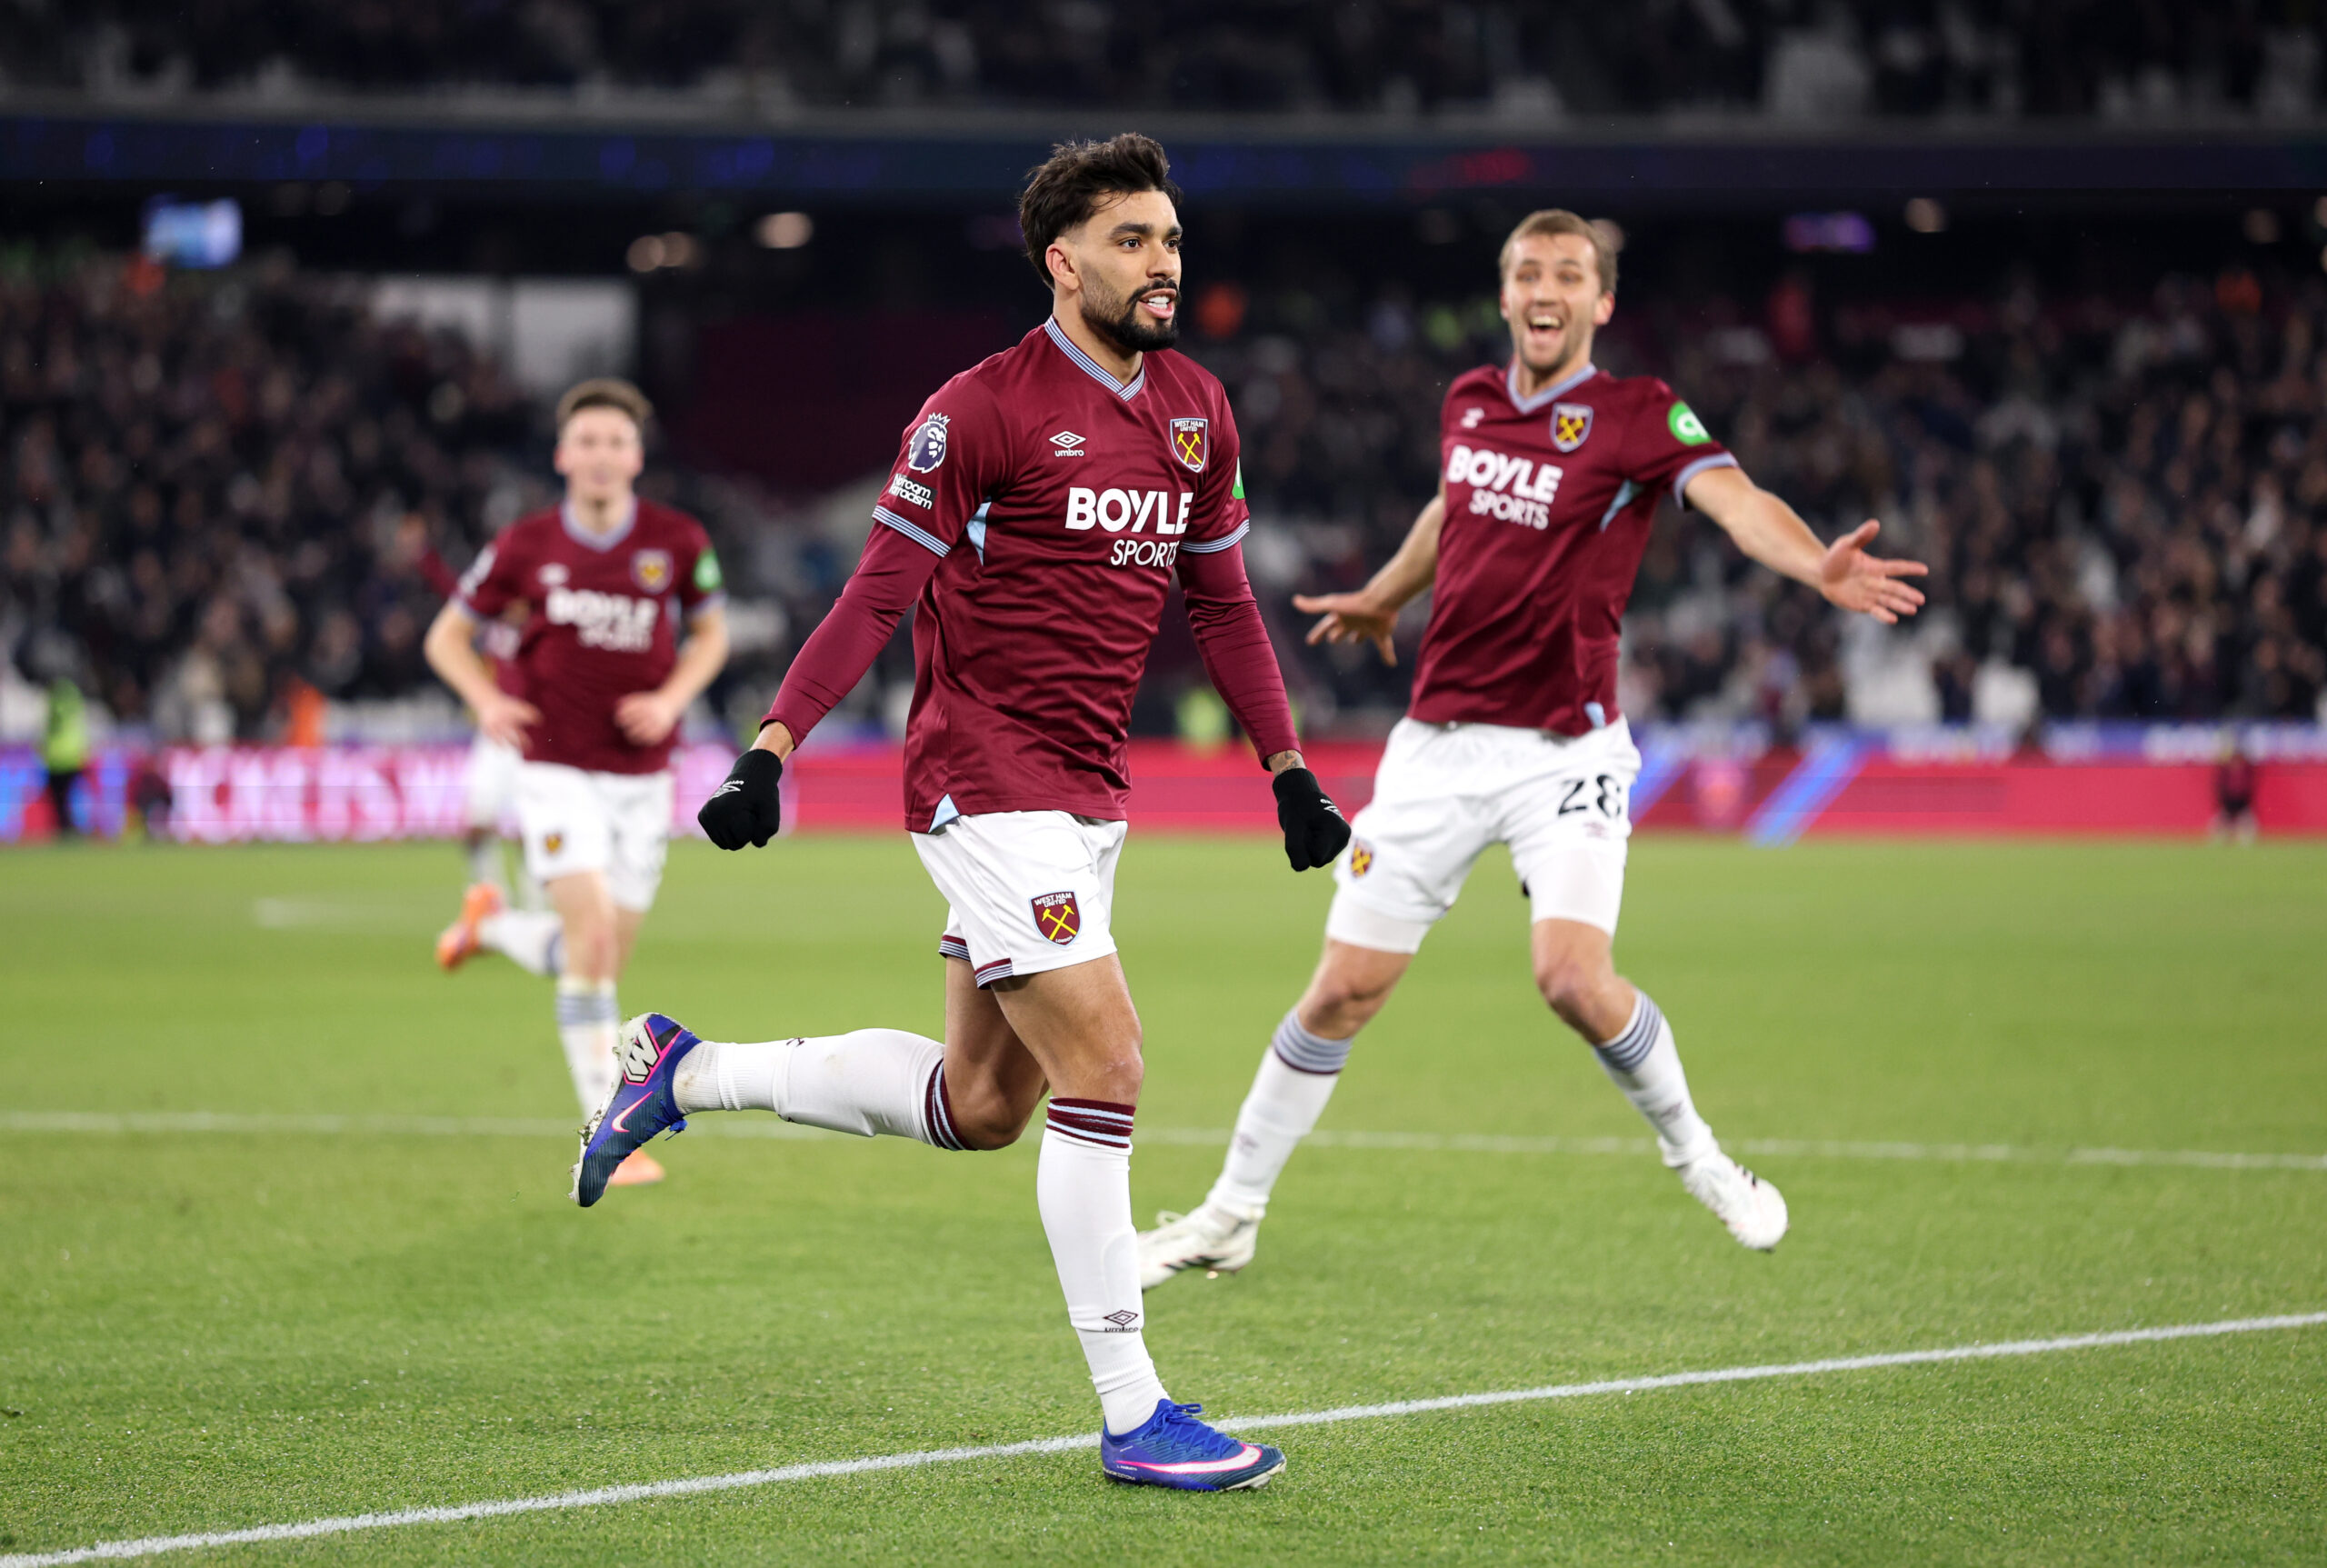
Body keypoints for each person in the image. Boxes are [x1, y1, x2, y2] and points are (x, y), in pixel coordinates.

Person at [569, 135, 1349, 1492]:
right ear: (1063, 262)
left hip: (1087, 792)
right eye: (1132, 241)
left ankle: (682, 1073)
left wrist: (1285, 767)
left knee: (984, 1103)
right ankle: (1134, 1413)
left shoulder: (1197, 411)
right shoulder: (979, 409)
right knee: (1107, 1065)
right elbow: (879, 586)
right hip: (985, 781)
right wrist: (772, 746)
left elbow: (1222, 602)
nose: (1162, 263)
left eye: (1171, 239)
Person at [1139, 209, 1930, 1289]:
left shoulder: (1638, 415)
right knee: (1338, 994)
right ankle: (1229, 1217)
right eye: (1526, 272)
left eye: (1566, 273)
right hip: (1434, 750)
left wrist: (1812, 565)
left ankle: (1699, 1157)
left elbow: (1737, 503)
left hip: (1565, 753)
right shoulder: (1468, 399)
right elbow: (1449, 509)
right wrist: (1385, 594)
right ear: (1505, 293)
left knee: (1569, 977)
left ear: (1600, 300)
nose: (1544, 289)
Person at [424, 378, 730, 1188]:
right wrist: (488, 699)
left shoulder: (677, 539)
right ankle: (607, 1130)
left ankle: (493, 926)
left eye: (615, 441)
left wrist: (670, 699)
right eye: (587, 441)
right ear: (563, 455)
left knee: (596, 953)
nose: (601, 455)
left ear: (636, 455)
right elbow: (447, 636)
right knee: (592, 942)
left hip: (642, 778)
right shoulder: (524, 545)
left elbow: (711, 634)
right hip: (554, 764)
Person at [415, 518, 533, 903]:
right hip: (496, 734)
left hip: (536, 737)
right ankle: (490, 895)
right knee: (476, 823)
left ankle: (538, 902)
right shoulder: (494, 622)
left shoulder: (546, 627)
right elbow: (454, 591)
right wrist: (424, 557)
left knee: (534, 829)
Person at [41, 678, 89, 840]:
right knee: (69, 798)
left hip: (56, 758)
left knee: (60, 799)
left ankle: (66, 828)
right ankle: (70, 828)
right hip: (72, 756)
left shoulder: (56, 702)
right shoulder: (76, 702)